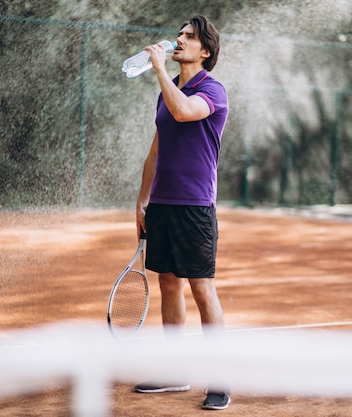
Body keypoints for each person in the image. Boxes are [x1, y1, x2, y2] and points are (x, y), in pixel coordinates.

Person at [133, 15, 230, 410]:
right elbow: (156, 150)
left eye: (189, 37)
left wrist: (156, 67)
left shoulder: (213, 90)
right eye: (179, 34)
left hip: (195, 208)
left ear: (205, 51)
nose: (178, 40)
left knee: (201, 289)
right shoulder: (168, 90)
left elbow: (185, 113)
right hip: (163, 205)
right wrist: (142, 201)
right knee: (169, 285)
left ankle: (220, 379)